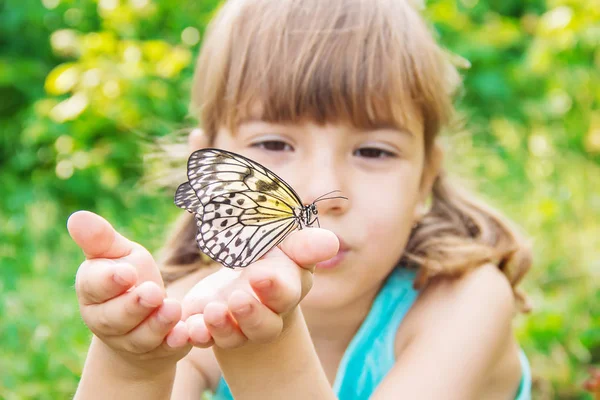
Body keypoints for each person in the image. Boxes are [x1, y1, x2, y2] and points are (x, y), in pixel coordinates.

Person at [67, 0, 533, 399]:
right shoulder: (198, 302)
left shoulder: (465, 301)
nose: (319, 190)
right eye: (273, 144)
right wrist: (132, 362)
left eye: (373, 151)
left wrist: (267, 349)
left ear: (425, 181)